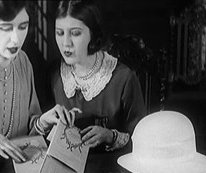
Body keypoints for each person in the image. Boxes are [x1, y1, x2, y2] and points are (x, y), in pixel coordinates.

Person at [0, 0, 77, 164]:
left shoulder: (23, 62)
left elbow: (27, 131)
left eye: (23, 27)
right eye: (7, 28)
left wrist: (42, 122)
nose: (16, 38)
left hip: (16, 172)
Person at [48, 0, 146, 153]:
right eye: (59, 33)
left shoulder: (123, 79)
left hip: (112, 172)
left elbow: (143, 142)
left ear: (92, 34)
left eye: (75, 33)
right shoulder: (54, 75)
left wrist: (110, 136)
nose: (66, 43)